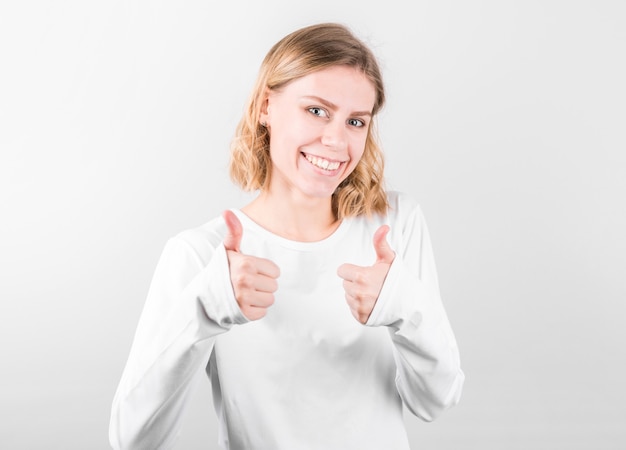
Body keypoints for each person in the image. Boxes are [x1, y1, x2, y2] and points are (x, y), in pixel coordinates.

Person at [109, 22, 464, 450]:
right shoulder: (201, 256)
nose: (336, 140)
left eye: (355, 121)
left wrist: (404, 305)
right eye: (316, 110)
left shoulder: (394, 224)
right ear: (265, 107)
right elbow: (133, 440)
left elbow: (435, 400)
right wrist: (203, 307)